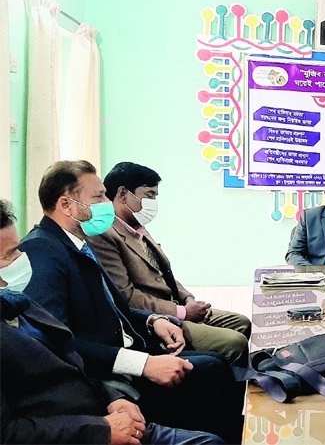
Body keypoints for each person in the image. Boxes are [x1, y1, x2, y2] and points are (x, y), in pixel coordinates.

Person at [17, 161, 243, 442]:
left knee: (216, 363)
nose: (106, 203)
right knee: (210, 372)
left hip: (130, 352)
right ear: (66, 204)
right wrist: (144, 364)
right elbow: (58, 342)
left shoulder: (77, 243)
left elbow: (115, 307)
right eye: (98, 197)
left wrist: (152, 320)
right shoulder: (43, 251)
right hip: (103, 378)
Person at [87, 162, 250, 364]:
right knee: (234, 341)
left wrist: (189, 300)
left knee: (241, 323)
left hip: (177, 306)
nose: (153, 202)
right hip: (156, 320)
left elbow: (165, 275)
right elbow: (125, 296)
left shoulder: (138, 228)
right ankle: (229, 394)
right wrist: (181, 312)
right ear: (122, 194)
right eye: (149, 195)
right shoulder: (104, 235)